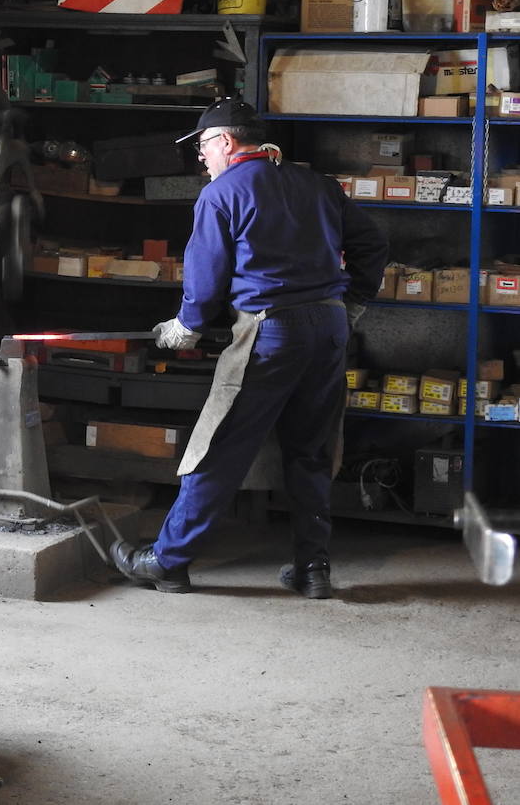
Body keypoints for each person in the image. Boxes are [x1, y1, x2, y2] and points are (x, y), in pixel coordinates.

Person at [108, 97, 388, 599]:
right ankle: (312, 569)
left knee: (219, 446)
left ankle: (167, 562)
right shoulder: (318, 184)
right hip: (328, 329)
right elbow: (372, 244)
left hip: (269, 333)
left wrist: (186, 325)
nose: (201, 158)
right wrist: (353, 301)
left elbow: (206, 277)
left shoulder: (222, 194)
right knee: (312, 451)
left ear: (226, 142)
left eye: (202, 147)